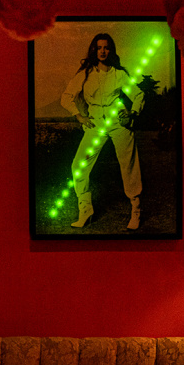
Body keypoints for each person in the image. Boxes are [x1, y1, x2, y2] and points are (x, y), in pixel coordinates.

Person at [60, 33, 144, 230]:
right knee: (78, 166)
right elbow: (66, 97)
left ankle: (136, 210)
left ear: (111, 50)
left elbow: (138, 95)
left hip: (118, 122)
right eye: (99, 48)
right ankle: (85, 210)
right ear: (94, 50)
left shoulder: (119, 74)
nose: (102, 51)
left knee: (129, 165)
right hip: (95, 124)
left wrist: (131, 113)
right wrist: (79, 115)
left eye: (106, 47)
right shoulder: (85, 74)